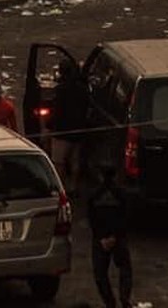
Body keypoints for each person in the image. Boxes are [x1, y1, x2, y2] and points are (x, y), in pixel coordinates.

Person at [88, 165, 134, 308]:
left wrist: (102, 238)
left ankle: (110, 303)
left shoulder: (94, 195)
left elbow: (92, 219)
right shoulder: (121, 194)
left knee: (100, 274)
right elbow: (126, 217)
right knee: (125, 268)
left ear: (100, 176)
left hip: (100, 239)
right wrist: (115, 236)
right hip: (118, 238)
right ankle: (124, 298)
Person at [50, 58, 88, 195]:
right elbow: (86, 108)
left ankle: (61, 189)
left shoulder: (60, 89)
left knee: (59, 162)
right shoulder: (83, 89)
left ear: (60, 72)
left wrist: (49, 126)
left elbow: (57, 110)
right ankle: (74, 186)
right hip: (78, 129)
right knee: (75, 160)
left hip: (61, 131)